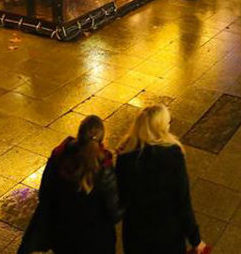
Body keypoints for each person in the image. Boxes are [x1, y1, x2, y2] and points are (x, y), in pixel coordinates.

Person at [20, 115, 122, 254]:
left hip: (63, 234)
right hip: (96, 239)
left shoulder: (59, 156)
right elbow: (114, 211)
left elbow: (45, 194)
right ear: (101, 139)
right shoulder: (105, 166)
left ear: (79, 134)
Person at [116, 105, 206, 254]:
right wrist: (195, 239)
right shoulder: (174, 155)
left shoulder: (125, 158)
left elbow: (121, 198)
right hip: (167, 235)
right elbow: (183, 202)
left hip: (136, 234)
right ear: (161, 127)